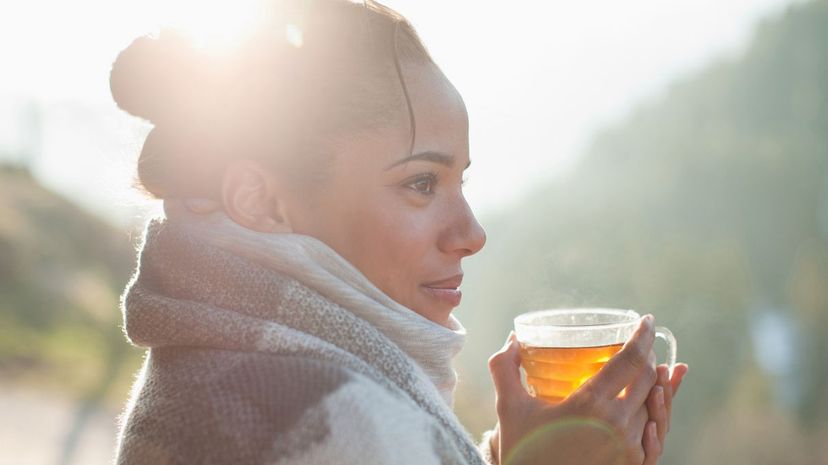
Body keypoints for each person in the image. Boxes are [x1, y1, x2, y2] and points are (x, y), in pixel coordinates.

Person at [110, 1, 688, 464]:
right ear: (261, 201)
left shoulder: (217, 365)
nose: (472, 233)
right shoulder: (340, 421)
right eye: (420, 184)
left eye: (460, 181)